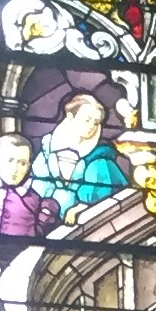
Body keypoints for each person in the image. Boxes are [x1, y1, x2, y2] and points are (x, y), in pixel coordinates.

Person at [28, 89, 133, 224]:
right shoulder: (47, 150)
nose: (91, 126)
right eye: (87, 119)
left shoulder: (100, 160)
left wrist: (81, 208)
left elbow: (104, 200)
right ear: (70, 116)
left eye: (96, 122)